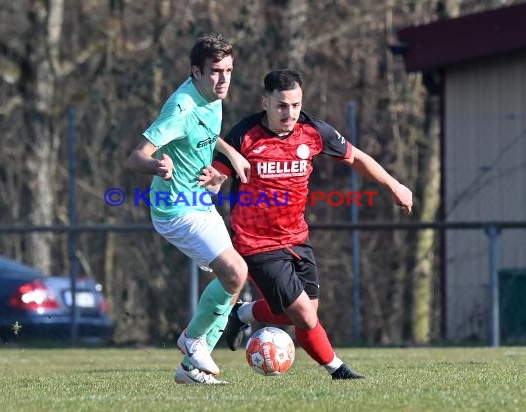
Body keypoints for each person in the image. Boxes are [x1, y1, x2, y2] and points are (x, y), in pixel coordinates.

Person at [211, 69, 413, 380]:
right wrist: (212, 181)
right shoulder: (244, 134)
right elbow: (218, 174)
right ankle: (338, 370)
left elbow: (356, 157)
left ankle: (242, 313)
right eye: (281, 105)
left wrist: (393, 185)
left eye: (295, 105)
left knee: (302, 313)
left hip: (297, 238)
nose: (289, 113)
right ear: (265, 102)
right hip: (256, 242)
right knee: (304, 315)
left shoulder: (312, 130)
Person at [124, 33, 250, 385]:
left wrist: (225, 158)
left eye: (228, 70)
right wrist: (157, 167)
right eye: (215, 71)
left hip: (198, 201)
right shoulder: (181, 106)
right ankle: (192, 341)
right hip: (173, 209)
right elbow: (135, 157)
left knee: (234, 280)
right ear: (196, 72)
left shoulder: (213, 96)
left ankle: (191, 370)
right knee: (235, 272)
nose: (223, 79)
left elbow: (205, 133)